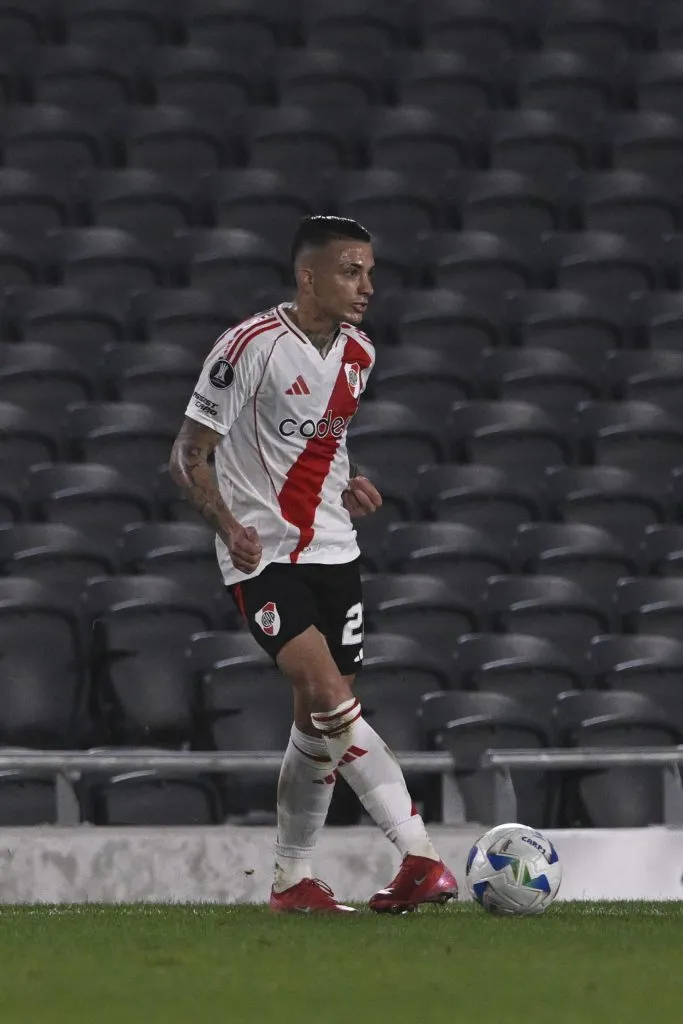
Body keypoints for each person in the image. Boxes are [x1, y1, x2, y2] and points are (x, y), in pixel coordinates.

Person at [169, 215, 457, 913]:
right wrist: (228, 524)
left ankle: (291, 881)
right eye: (350, 271)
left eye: (369, 272)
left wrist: (348, 486)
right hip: (265, 559)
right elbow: (187, 453)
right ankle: (419, 855)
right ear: (308, 277)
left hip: (336, 554)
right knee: (332, 701)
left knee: (315, 727)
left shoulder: (359, 352)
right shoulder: (249, 347)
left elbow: (323, 445)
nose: (366, 286)